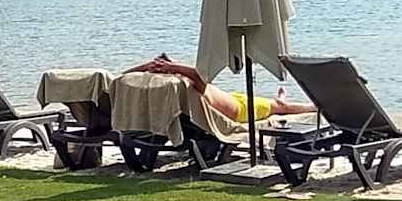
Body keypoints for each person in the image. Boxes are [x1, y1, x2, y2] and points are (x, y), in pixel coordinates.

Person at [121, 54, 315, 123]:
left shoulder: (174, 92)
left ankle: (283, 99)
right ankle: (313, 107)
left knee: (277, 105)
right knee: (280, 107)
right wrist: (173, 67)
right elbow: (200, 75)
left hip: (231, 98)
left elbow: (122, 78)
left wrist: (147, 67)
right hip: (239, 109)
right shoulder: (191, 87)